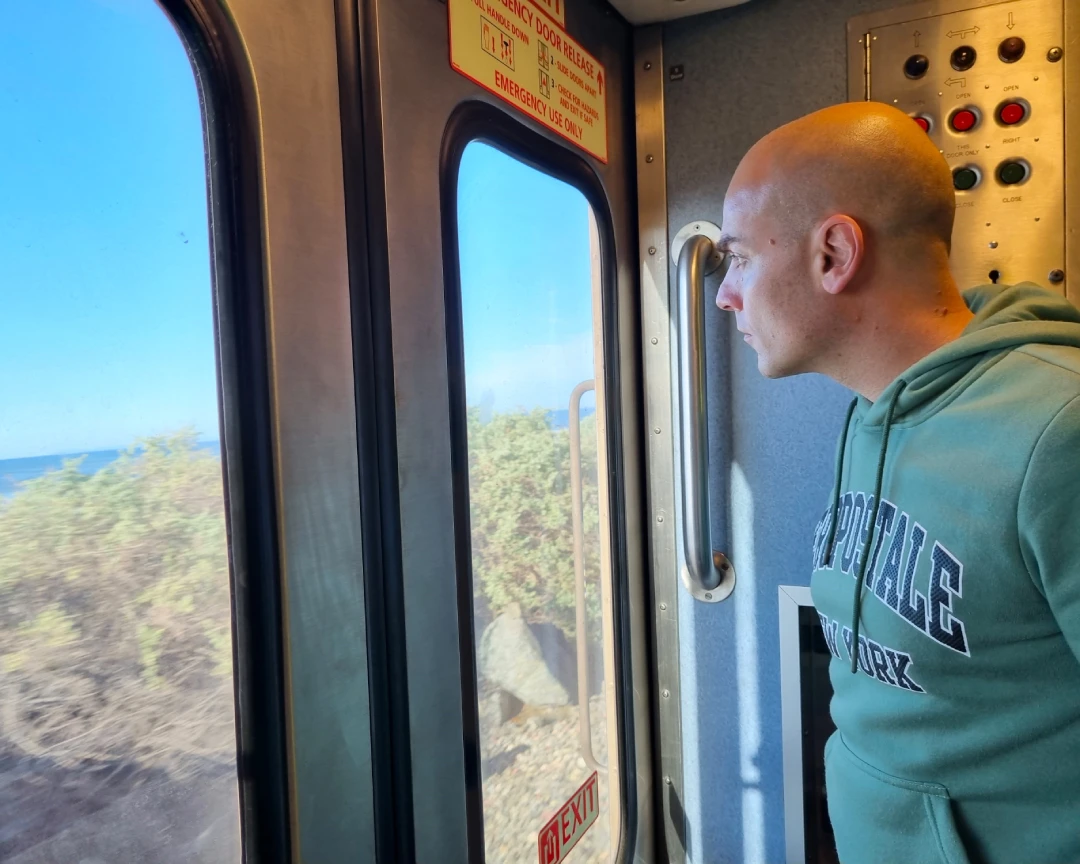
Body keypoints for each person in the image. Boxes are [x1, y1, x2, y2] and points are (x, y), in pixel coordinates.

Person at [715, 101, 1080, 864]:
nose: (726, 295)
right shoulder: (872, 410)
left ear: (834, 254)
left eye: (740, 257)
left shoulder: (1059, 429)